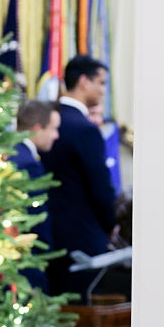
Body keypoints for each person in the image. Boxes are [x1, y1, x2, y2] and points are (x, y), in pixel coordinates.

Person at [40, 54, 125, 299]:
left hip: (48, 234)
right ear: (84, 82)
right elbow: (99, 187)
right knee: (81, 313)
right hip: (81, 238)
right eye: (101, 83)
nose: (103, 90)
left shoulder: (50, 120)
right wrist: (111, 223)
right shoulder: (85, 129)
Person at [12, 100, 61, 293]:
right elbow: (36, 216)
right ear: (37, 128)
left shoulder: (11, 152)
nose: (56, 136)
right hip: (27, 256)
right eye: (53, 129)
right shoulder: (28, 164)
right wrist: (44, 252)